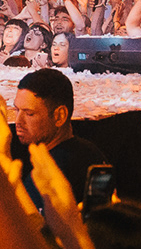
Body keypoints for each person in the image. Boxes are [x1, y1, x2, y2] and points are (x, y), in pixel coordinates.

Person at [13, 67, 107, 198]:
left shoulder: (47, 176)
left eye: (29, 114)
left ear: (59, 116)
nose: (18, 121)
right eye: (17, 110)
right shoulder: (93, 153)